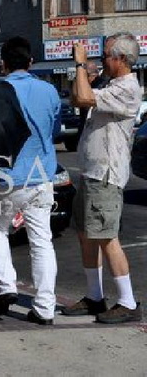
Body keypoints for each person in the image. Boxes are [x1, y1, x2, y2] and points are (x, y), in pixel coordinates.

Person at [62, 33, 143, 324]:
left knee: (108, 237)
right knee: (87, 235)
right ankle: (95, 296)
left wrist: (81, 65)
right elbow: (78, 98)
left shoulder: (128, 88)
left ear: (121, 59)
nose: (102, 60)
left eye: (107, 55)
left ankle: (128, 301)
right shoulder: (111, 84)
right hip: (91, 171)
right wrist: (80, 71)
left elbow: (84, 97)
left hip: (106, 174)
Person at [0, 37, 60, 325]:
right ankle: (45, 307)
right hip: (41, 175)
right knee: (42, 241)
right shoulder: (49, 90)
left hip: (7, 175)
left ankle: (5, 286)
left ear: (3, 63)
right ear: (30, 62)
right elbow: (52, 129)